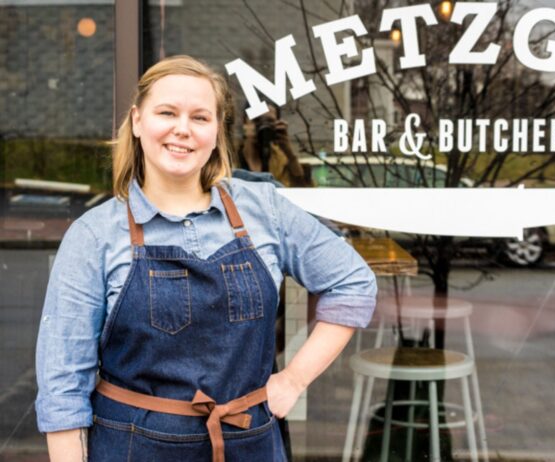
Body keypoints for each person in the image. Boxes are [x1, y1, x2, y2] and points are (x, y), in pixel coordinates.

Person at [35, 55, 377, 461]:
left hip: (251, 443)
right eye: (167, 112)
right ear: (138, 121)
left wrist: (294, 379)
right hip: (131, 448)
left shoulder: (263, 209)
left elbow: (353, 283)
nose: (183, 129)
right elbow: (63, 389)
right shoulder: (94, 236)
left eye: (200, 117)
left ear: (216, 131)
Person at [240, 105, 311, 187]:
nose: (263, 127)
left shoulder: (283, 161)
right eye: (257, 120)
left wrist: (288, 152)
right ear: (245, 124)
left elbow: (303, 191)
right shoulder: (230, 159)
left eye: (269, 122)